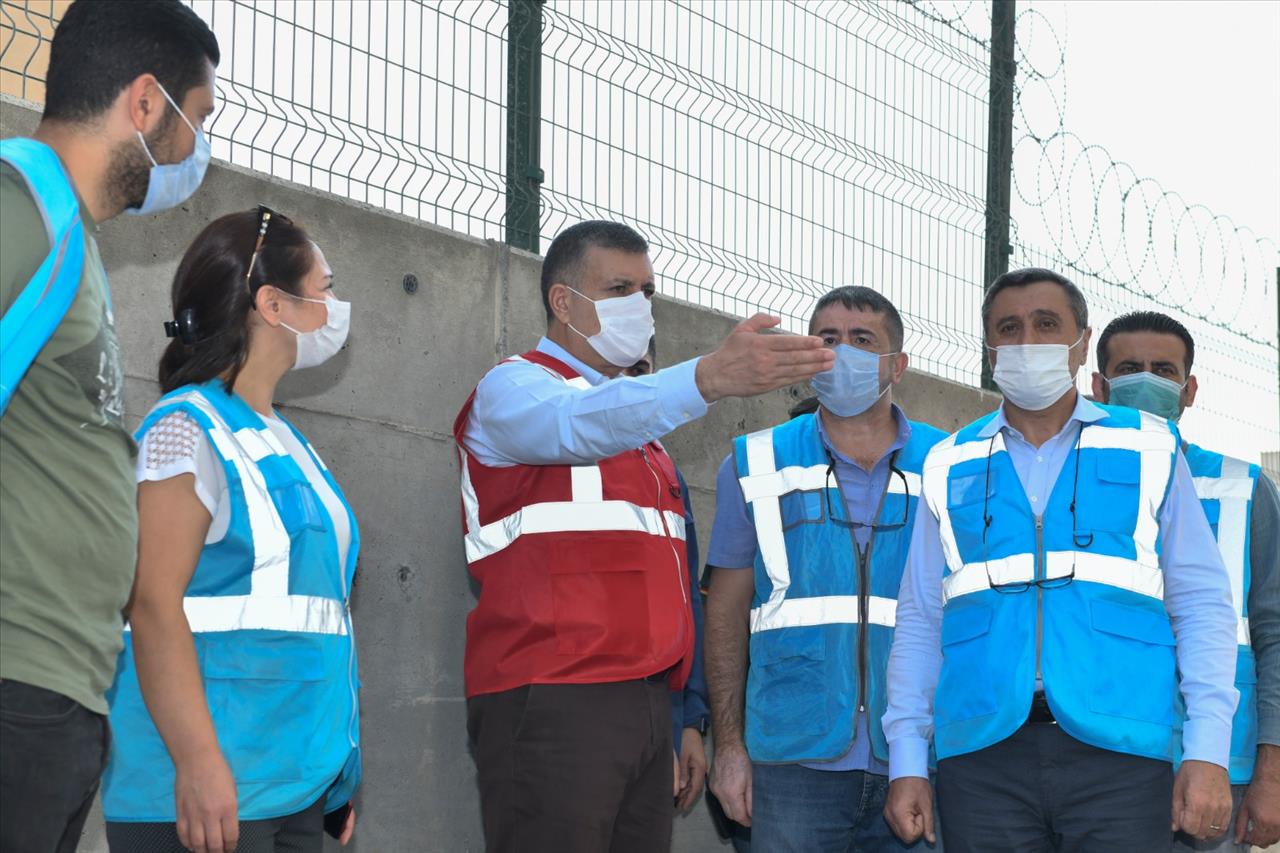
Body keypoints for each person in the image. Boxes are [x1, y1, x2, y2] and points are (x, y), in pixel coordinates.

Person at [454, 219, 834, 853]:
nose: (640, 306)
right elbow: (575, 425)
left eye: (648, 291)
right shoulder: (514, 388)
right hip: (554, 698)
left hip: (645, 705)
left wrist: (683, 720)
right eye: (620, 288)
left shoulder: (645, 440)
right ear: (562, 301)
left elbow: (675, 587)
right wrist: (707, 377)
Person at [883, 267, 1239, 852]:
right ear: (989, 347)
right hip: (982, 754)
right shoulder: (949, 462)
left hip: (1121, 750)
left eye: (1046, 325)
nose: (1027, 341)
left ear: (1080, 340)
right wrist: (906, 762)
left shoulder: (1149, 444)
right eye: (1009, 328)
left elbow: (1202, 605)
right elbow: (920, 620)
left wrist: (1206, 751)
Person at [0, 3, 219, 850]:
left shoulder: (72, 236)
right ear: (144, 103)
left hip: (55, 692)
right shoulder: (23, 208)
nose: (196, 151)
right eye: (195, 120)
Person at [100, 208, 360, 853]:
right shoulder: (183, 429)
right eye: (325, 289)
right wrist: (195, 761)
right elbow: (152, 604)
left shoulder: (287, 438)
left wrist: (337, 772)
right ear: (273, 304)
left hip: (295, 783)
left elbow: (320, 618)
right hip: (205, 796)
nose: (336, 306)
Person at [704, 286, 948, 851]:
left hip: (920, 756)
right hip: (791, 757)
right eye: (827, 339)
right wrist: (730, 747)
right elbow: (725, 611)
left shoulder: (951, 463)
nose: (842, 353)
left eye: (863, 340)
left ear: (898, 365)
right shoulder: (753, 461)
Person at [1091, 310, 1280, 851]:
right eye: (1129, 368)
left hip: (1222, 768)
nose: (1147, 381)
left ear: (1189, 388)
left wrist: (1272, 773)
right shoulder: (1068, 485)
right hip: (1100, 762)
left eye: (1163, 370)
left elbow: (1274, 636)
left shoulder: (1243, 489)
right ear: (1099, 385)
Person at [624, 339, 710, 813]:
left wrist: (691, 723)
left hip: (663, 719)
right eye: (616, 371)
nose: (629, 386)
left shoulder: (666, 473)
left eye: (642, 371)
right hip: (575, 721)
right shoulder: (550, 452)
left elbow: (687, 603)